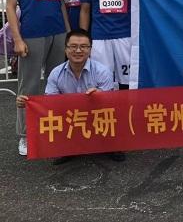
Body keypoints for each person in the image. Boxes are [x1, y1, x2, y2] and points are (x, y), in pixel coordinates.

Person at [5, 0, 70, 156]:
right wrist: (17, 39)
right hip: (32, 35)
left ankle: (56, 129)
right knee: (29, 86)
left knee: (58, 84)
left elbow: (61, 3)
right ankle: (25, 135)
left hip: (58, 33)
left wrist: (69, 34)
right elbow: (10, 7)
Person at [16, 29, 124, 163]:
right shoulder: (56, 73)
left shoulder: (102, 71)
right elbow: (50, 103)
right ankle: (68, 148)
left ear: (90, 50)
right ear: (65, 49)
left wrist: (101, 96)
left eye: (83, 47)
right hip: (72, 118)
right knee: (54, 118)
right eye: (73, 46)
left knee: (114, 114)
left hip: (97, 116)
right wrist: (29, 103)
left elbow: (112, 102)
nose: (78, 50)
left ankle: (111, 146)